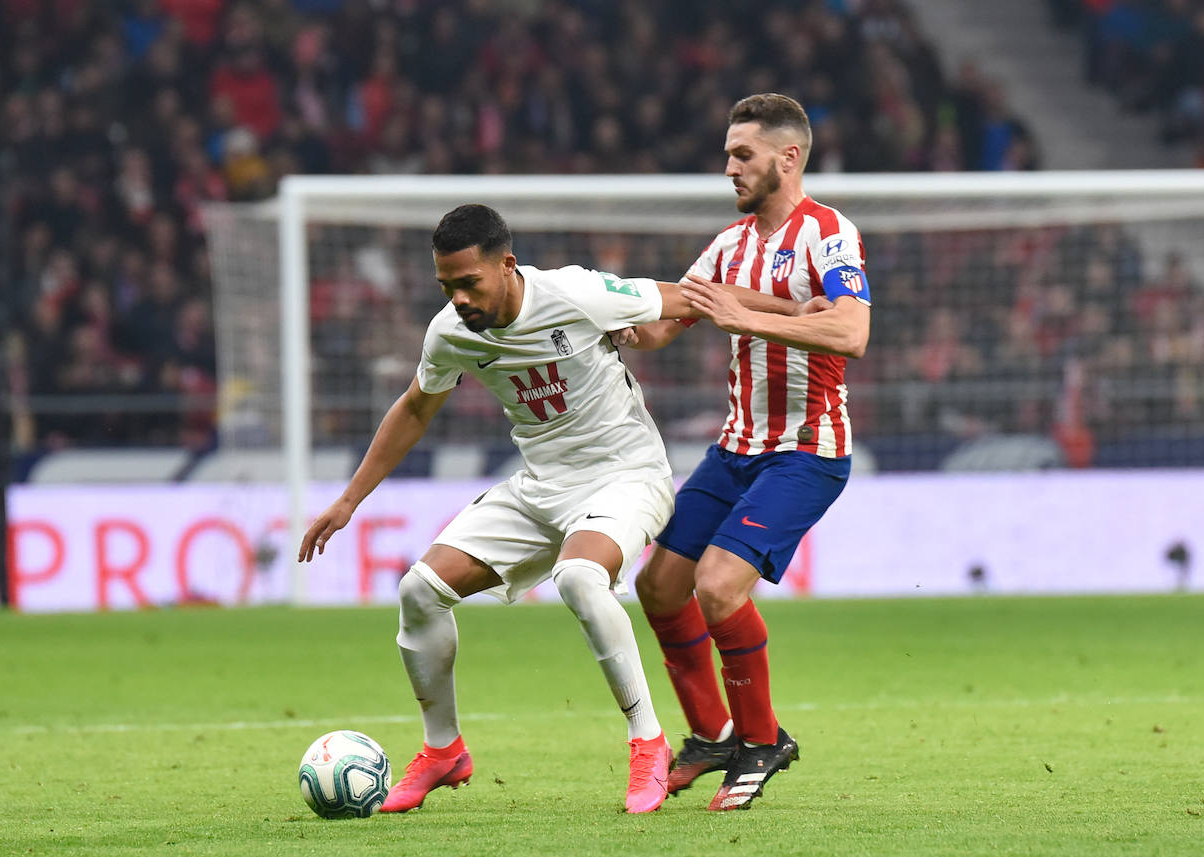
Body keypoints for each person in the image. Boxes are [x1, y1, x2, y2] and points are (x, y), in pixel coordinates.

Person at [299, 203, 806, 815]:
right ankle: (443, 750)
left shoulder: (577, 294)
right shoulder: (451, 332)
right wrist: (348, 501)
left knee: (580, 578)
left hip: (627, 475)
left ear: (507, 265)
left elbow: (693, 297)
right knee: (419, 591)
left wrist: (797, 311)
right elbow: (414, 408)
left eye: (469, 282)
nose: (458, 298)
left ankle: (646, 741)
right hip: (542, 486)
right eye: (446, 286)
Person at [618, 92, 872, 811]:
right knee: (658, 586)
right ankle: (713, 734)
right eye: (728, 154)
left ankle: (763, 740)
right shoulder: (729, 244)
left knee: (719, 585)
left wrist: (747, 317)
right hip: (735, 449)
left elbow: (851, 332)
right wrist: (617, 317)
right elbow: (669, 321)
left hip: (806, 452)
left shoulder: (829, 234)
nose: (729, 167)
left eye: (742, 154)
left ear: (788, 158)